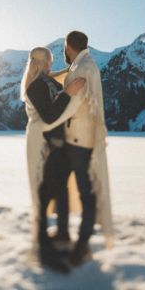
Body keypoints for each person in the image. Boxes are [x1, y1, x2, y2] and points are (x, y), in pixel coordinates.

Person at [43, 31, 114, 266]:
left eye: (64, 46)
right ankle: (63, 231)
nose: (63, 51)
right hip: (71, 140)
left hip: (81, 143)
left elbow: (73, 104)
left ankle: (82, 244)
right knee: (61, 185)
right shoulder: (79, 65)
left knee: (85, 193)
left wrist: (60, 96)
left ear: (69, 46)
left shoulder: (85, 67)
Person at [21, 46, 85, 272]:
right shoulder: (35, 86)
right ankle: (43, 247)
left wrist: (68, 76)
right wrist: (68, 93)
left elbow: (58, 90)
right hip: (42, 144)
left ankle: (62, 237)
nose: (50, 66)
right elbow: (49, 115)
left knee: (59, 190)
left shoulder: (47, 82)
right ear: (39, 64)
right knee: (43, 193)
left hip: (56, 144)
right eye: (47, 62)